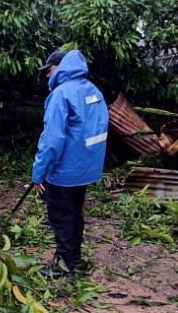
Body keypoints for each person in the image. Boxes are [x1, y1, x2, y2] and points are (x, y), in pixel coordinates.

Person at [32, 50, 109, 279]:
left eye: (49, 70)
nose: (47, 76)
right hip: (86, 170)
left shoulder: (61, 94)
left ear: (60, 67)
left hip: (64, 171)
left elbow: (52, 140)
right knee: (75, 213)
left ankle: (65, 267)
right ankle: (75, 259)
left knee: (61, 217)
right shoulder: (93, 90)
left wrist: (39, 173)